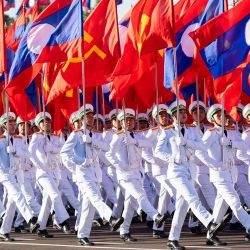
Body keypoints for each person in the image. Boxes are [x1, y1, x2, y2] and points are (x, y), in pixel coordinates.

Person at [155, 100, 224, 250]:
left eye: (184, 112)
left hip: (190, 169)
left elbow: (202, 146)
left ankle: (172, 239)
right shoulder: (167, 132)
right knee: (193, 197)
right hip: (176, 170)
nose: (184, 114)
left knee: (181, 207)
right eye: (179, 112)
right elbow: (157, 151)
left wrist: (186, 143)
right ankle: (210, 222)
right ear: (173, 116)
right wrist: (171, 158)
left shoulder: (192, 130)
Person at [60, 104, 124, 246]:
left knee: (89, 206)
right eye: (86, 116)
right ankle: (111, 217)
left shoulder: (95, 135)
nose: (90, 118)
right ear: (81, 119)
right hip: (82, 174)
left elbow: (107, 148)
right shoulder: (76, 135)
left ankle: (83, 235)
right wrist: (79, 163)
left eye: (91, 116)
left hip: (95, 174)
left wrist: (92, 141)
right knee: (96, 198)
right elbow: (64, 153)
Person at [106, 108, 167, 242]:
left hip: (137, 174)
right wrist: (121, 165)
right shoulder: (118, 136)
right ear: (121, 122)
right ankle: (156, 216)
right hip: (125, 176)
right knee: (141, 196)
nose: (129, 122)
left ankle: (124, 231)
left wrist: (135, 142)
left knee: (130, 204)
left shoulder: (137, 135)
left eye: (131, 120)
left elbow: (149, 143)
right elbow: (108, 154)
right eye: (126, 120)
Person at [197, 104, 250, 243]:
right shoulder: (211, 133)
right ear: (212, 118)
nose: (222, 118)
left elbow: (243, 146)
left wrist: (230, 143)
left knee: (220, 207)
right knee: (235, 202)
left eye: (223, 115)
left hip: (231, 174)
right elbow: (199, 151)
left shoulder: (231, 131)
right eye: (218, 116)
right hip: (219, 175)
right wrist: (213, 164)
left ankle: (210, 235)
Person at [29, 112, 71, 238]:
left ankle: (40, 227)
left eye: (48, 121)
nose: (46, 123)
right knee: (55, 194)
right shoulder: (36, 136)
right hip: (43, 173)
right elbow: (30, 153)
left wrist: (52, 149)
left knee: (47, 201)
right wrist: (40, 165)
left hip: (54, 173)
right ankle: (64, 220)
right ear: (38, 124)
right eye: (43, 122)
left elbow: (61, 150)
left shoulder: (54, 137)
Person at [0, 112, 38, 241]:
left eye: (13, 123)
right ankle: (31, 218)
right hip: (5, 174)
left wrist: (15, 151)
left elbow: (27, 154)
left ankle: (4, 231)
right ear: (3, 126)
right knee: (18, 195)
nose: (13, 126)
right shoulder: (0, 140)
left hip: (17, 173)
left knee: (11, 203)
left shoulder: (18, 139)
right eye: (9, 124)